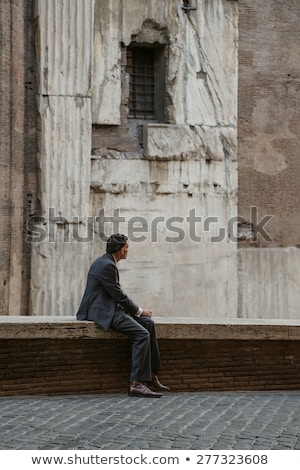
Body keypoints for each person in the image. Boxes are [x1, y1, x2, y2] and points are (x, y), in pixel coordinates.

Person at [76, 233, 170, 398]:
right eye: (127, 247)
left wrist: (140, 314)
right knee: (142, 334)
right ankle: (136, 384)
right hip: (103, 311)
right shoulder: (106, 265)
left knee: (148, 324)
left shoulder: (106, 261)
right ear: (121, 250)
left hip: (112, 308)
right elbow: (118, 295)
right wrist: (139, 311)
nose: (128, 250)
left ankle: (152, 375)